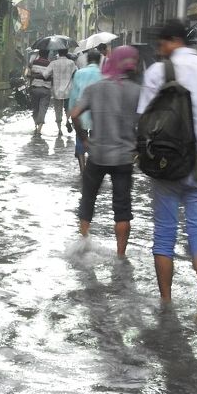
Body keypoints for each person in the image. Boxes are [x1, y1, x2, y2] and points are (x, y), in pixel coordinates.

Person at [137, 19, 197, 302]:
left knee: (165, 235)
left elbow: (144, 119)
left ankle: (166, 304)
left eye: (161, 45)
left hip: (167, 167)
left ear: (169, 42)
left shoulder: (157, 72)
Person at [70, 45, 143, 258]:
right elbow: (146, 121)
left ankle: (84, 245)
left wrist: (84, 138)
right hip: (124, 157)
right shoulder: (138, 91)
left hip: (98, 155)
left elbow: (74, 113)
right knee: (122, 207)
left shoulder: (95, 88)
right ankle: (120, 256)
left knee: (88, 199)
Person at [67, 48, 103, 173]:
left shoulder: (79, 73)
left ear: (88, 60)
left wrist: (70, 113)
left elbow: (73, 95)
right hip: (97, 115)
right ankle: (93, 167)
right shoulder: (104, 74)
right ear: (99, 61)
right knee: (95, 141)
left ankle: (83, 169)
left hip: (80, 112)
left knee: (80, 138)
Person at [49, 49, 78, 135]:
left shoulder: (53, 63)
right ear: (66, 53)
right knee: (68, 108)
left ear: (58, 52)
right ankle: (67, 121)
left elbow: (46, 74)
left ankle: (59, 130)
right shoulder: (71, 63)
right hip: (68, 91)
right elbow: (75, 73)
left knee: (58, 110)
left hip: (56, 91)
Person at [28, 49, 53, 132]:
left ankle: (36, 124)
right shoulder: (50, 64)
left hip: (35, 88)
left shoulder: (34, 62)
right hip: (46, 89)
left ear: (39, 54)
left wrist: (36, 76)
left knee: (35, 108)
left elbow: (30, 74)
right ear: (48, 54)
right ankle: (40, 127)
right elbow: (51, 76)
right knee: (43, 108)